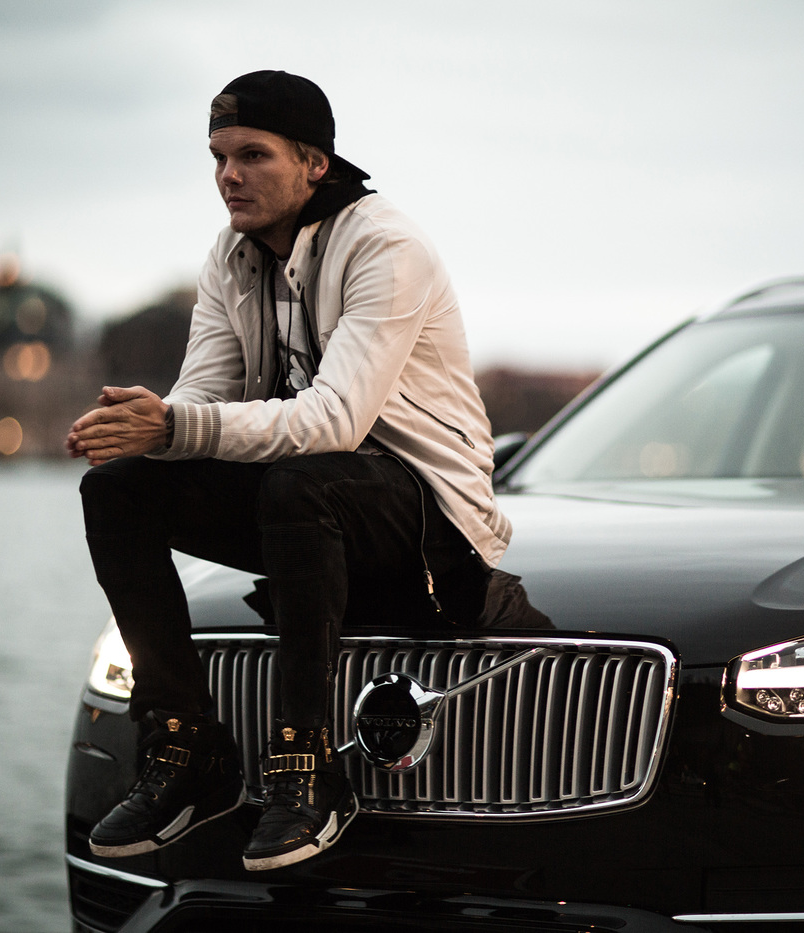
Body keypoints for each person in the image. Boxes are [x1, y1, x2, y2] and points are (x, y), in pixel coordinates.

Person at [66, 70, 541, 871]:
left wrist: (174, 425)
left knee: (300, 482)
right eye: (218, 158)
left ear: (315, 163)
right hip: (309, 502)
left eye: (252, 155)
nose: (229, 176)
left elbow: (336, 421)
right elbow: (203, 398)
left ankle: (304, 765)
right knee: (117, 489)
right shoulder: (231, 257)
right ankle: (186, 744)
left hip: (430, 515)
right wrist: (147, 428)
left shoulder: (386, 246)